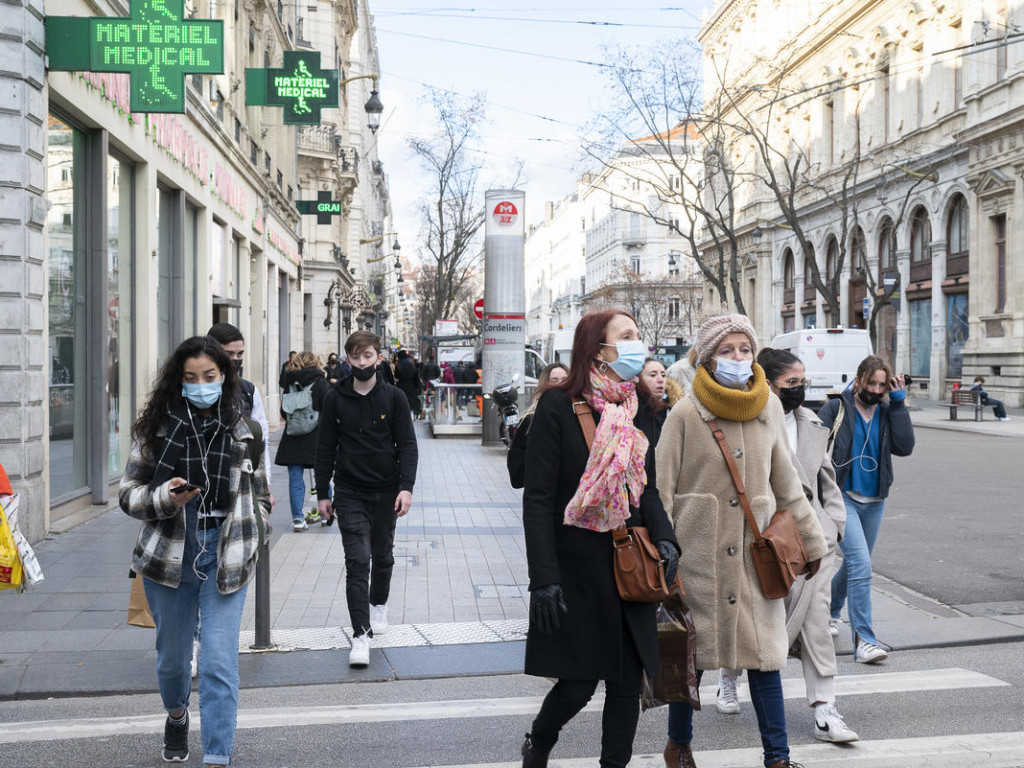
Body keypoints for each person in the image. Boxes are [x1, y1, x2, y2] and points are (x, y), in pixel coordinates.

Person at [656, 314, 827, 768]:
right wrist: (666, 554)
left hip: (756, 555)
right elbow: (662, 490)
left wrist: (812, 539)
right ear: (709, 358)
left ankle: (778, 757)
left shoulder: (768, 406)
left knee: (765, 658)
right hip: (699, 556)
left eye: (745, 349)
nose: (737, 358)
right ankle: (680, 745)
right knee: (691, 661)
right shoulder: (685, 413)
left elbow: (786, 481)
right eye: (727, 350)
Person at [520, 309, 679, 768]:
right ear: (598, 348)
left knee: (627, 683)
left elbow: (644, 488)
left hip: (627, 564)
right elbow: (538, 500)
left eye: (637, 334)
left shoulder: (637, 406)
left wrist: (666, 539)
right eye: (626, 336)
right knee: (577, 683)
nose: (637, 343)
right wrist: (543, 578)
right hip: (575, 570)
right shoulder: (556, 406)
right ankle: (540, 739)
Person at [119, 336, 270, 768]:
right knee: (172, 662)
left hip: (226, 554)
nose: (201, 385)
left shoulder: (246, 431)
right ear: (178, 381)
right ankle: (177, 714)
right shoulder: (157, 430)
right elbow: (128, 495)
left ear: (224, 378)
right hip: (170, 556)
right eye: (191, 378)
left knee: (219, 663)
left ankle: (218, 757)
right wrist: (166, 498)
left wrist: (254, 532)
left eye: (209, 377)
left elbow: (260, 495)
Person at [710, 349, 857, 743]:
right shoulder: (746, 419)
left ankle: (825, 710)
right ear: (769, 382)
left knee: (816, 624)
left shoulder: (811, 422)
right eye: (792, 383)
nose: (800, 389)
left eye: (802, 382)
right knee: (752, 618)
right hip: (760, 538)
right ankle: (728, 676)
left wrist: (833, 529)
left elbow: (826, 481)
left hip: (809, 541)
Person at [314, 331, 419, 668]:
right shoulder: (335, 398)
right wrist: (322, 492)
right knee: (357, 561)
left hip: (387, 491)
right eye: (356, 357)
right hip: (349, 492)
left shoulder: (395, 397)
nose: (362, 363)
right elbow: (325, 447)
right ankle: (361, 635)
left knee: (382, 556)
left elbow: (407, 445)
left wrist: (406, 487)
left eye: (368, 356)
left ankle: (379, 605)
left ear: (379, 358)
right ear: (347, 359)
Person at [818, 355, 915, 664]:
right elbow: (813, 448)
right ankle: (865, 641)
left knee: (856, 564)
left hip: (875, 499)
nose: (875, 389)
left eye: (881, 384)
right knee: (860, 564)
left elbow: (904, 447)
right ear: (857, 380)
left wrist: (898, 403)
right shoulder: (836, 409)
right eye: (870, 382)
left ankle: (829, 611)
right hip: (842, 496)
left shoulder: (887, 412)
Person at [276, 352, 329, 531]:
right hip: (317, 436)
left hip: (292, 436)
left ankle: (298, 519)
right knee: (322, 477)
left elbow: (284, 411)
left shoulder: (290, 383)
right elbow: (327, 408)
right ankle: (324, 515)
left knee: (295, 479)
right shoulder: (321, 382)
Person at [506, 362, 569, 489]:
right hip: (544, 495)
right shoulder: (529, 421)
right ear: (544, 385)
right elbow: (516, 473)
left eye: (564, 380)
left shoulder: (579, 416)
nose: (560, 385)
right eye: (554, 380)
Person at [637, 357, 684, 439]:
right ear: (639, 379)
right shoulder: (631, 410)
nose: (660, 380)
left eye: (663, 375)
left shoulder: (674, 410)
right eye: (653, 375)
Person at [394, 349, 422, 416]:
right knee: (411, 404)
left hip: (401, 387)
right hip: (411, 388)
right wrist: (418, 387)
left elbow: (396, 376)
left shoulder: (398, 366)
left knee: (402, 404)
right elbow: (416, 378)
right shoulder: (412, 365)